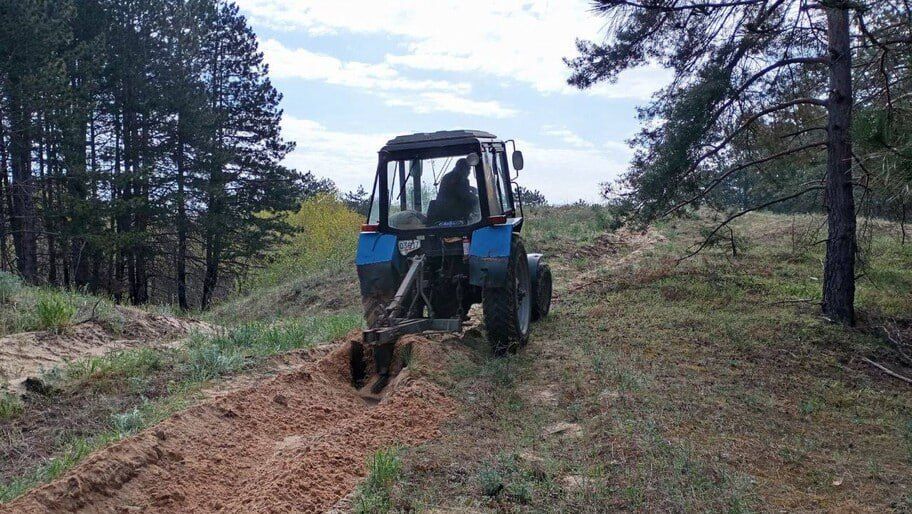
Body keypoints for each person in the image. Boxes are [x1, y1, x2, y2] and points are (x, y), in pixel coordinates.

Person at [427, 158, 479, 226]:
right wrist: (474, 195)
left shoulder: (447, 177)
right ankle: (476, 221)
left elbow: (453, 190)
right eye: (468, 169)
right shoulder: (462, 179)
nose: (469, 172)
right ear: (462, 169)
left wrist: (470, 188)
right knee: (475, 200)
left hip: (441, 211)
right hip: (455, 212)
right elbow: (464, 196)